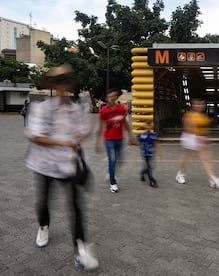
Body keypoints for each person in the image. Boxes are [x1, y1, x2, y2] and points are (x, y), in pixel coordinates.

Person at [24, 64, 99, 271]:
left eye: (66, 80)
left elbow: (81, 133)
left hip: (68, 165)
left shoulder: (76, 109)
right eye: (58, 81)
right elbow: (35, 135)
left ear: (69, 84)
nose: (62, 85)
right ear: (53, 85)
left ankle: (81, 249)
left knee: (76, 207)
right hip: (44, 164)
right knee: (44, 201)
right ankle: (43, 227)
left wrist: (85, 132)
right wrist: (63, 142)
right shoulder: (41, 108)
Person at [176, 98, 219, 189]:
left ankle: (212, 179)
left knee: (207, 158)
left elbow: (205, 128)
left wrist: (207, 137)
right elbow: (188, 128)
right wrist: (197, 137)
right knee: (187, 157)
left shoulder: (204, 116)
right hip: (190, 137)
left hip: (201, 137)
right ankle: (180, 174)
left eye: (202, 104)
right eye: (197, 104)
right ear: (193, 105)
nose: (200, 106)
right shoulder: (188, 115)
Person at [96, 88, 135, 193]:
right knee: (112, 160)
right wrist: (97, 142)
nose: (112, 98)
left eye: (114, 96)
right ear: (107, 98)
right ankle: (113, 183)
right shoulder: (104, 111)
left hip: (120, 138)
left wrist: (130, 137)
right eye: (110, 96)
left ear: (117, 97)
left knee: (120, 160)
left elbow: (125, 124)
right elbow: (100, 127)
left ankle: (110, 171)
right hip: (109, 139)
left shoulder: (122, 109)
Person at [133, 121, 161, 188]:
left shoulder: (154, 135)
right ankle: (152, 181)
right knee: (149, 167)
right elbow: (137, 142)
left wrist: (159, 151)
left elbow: (156, 143)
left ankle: (142, 173)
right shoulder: (142, 135)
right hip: (144, 153)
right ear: (144, 126)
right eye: (147, 125)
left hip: (151, 153)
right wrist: (133, 142)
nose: (148, 127)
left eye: (149, 125)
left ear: (151, 126)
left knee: (149, 167)